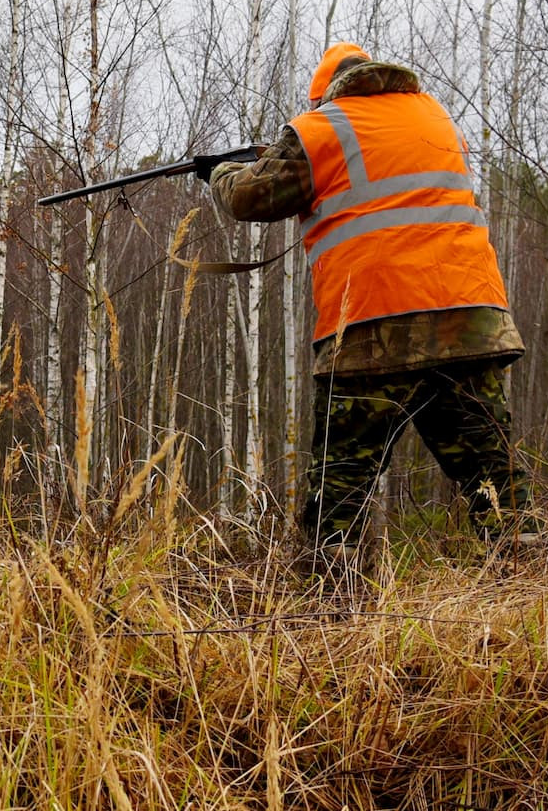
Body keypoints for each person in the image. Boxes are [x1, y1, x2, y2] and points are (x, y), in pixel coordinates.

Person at [210, 42, 527, 560]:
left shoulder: (320, 128)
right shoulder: (435, 117)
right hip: (471, 322)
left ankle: (331, 608)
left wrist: (219, 174)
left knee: (341, 489)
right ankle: (533, 587)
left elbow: (251, 197)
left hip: (371, 330)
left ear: (323, 96)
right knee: (495, 479)